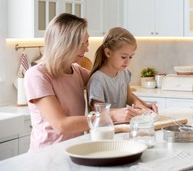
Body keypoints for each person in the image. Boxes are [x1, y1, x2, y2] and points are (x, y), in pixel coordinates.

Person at [24, 13, 91, 151]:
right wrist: (109, 116)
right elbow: (61, 125)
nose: (86, 49)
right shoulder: (37, 75)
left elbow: (105, 80)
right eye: (80, 44)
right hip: (45, 158)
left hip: (73, 152)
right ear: (63, 44)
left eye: (87, 42)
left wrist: (140, 105)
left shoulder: (78, 71)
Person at [88, 27, 158, 123]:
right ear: (108, 53)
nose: (127, 61)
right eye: (123, 57)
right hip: (105, 129)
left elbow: (129, 96)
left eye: (130, 57)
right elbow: (99, 111)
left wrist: (144, 107)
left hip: (122, 127)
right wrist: (122, 113)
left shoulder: (123, 73)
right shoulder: (98, 79)